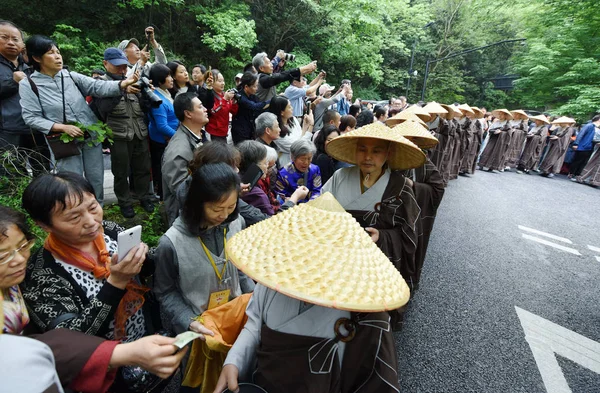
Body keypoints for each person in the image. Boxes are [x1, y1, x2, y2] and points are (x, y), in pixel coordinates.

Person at [214, 192, 410, 393]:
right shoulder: (272, 279)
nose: (307, 263)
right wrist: (234, 362)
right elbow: (254, 325)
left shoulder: (365, 309)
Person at [0, 205, 186, 393]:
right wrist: (116, 282)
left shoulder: (109, 230)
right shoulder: (41, 272)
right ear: (45, 225)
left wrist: (144, 259)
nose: (19, 260)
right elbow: (70, 337)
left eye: (23, 246)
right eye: (3, 256)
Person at [18, 35, 138, 205]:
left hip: (90, 135)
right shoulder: (29, 84)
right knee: (72, 180)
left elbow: (97, 87)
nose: (58, 56)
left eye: (58, 52)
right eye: (51, 53)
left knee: (96, 178)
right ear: (37, 58)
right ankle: (77, 212)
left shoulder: (70, 76)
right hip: (63, 141)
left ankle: (97, 210)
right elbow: (31, 117)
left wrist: (123, 84)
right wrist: (61, 127)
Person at [322, 122, 426, 307]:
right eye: (362, 149)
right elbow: (319, 213)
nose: (368, 157)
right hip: (339, 255)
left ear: (388, 153)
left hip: (375, 264)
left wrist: (384, 236)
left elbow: (409, 233)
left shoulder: (399, 186)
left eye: (376, 151)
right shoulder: (340, 176)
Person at [154, 163, 254, 335]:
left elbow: (241, 269)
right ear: (198, 204)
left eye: (231, 207)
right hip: (198, 328)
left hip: (236, 318)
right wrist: (189, 321)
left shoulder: (236, 224)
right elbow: (165, 292)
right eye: (216, 209)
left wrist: (254, 298)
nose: (224, 216)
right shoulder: (171, 243)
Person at [94, 47, 155, 218]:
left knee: (142, 168)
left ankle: (144, 197)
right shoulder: (102, 83)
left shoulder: (132, 79)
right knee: (121, 171)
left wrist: (145, 92)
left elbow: (143, 109)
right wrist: (121, 89)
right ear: (105, 64)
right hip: (118, 134)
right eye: (117, 66)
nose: (122, 70)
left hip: (139, 131)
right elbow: (103, 109)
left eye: (124, 66)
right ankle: (124, 202)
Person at [0, 20, 51, 176]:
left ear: (22, 44)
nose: (10, 43)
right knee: (11, 173)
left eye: (15, 39)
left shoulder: (31, 64)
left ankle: (43, 201)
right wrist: (12, 82)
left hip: (34, 127)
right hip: (7, 130)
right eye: (4, 37)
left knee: (43, 170)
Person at [162, 92, 208, 225]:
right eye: (200, 107)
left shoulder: (201, 134)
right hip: (187, 217)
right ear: (188, 114)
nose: (205, 109)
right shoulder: (178, 150)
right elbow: (182, 192)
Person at [237, 140, 308, 215]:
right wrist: (295, 197)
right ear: (255, 167)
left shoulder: (238, 182)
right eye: (265, 163)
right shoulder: (256, 193)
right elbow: (274, 219)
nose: (267, 166)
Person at [147, 63, 178, 199]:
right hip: (162, 141)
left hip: (169, 139)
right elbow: (162, 126)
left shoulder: (165, 93)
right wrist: (179, 137)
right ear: (160, 81)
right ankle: (162, 196)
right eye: (168, 77)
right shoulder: (157, 99)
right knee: (162, 168)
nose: (172, 79)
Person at [253, 51, 317, 102]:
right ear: (261, 68)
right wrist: (303, 69)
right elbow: (282, 76)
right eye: (269, 63)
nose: (272, 65)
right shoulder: (262, 79)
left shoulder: (264, 76)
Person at [268, 95, 314, 166]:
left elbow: (300, 138)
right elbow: (299, 147)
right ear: (281, 112)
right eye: (289, 107)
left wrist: (305, 126)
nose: (292, 108)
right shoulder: (277, 132)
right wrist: (311, 126)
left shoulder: (293, 120)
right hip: (287, 164)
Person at [275, 139, 322, 203]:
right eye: (302, 159)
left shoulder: (314, 170)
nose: (306, 162)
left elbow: (317, 191)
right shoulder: (283, 174)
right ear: (293, 158)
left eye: (309, 158)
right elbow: (281, 196)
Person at [199, 68, 237, 142]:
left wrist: (234, 101)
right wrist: (224, 100)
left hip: (224, 131)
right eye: (219, 81)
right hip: (214, 132)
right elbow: (213, 111)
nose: (223, 83)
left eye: (223, 80)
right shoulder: (209, 95)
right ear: (211, 82)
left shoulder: (224, 94)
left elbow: (234, 112)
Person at [231, 71, 269, 144]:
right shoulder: (239, 97)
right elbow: (254, 106)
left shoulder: (253, 96)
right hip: (240, 132)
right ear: (246, 87)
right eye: (255, 86)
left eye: (257, 86)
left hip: (250, 131)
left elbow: (260, 107)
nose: (257, 88)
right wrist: (272, 100)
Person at [569, 114, 600, 179]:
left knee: (584, 162)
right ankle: (572, 174)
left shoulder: (595, 128)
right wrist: (576, 144)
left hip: (589, 147)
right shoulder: (589, 126)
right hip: (582, 146)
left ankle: (577, 175)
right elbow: (580, 134)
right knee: (577, 161)